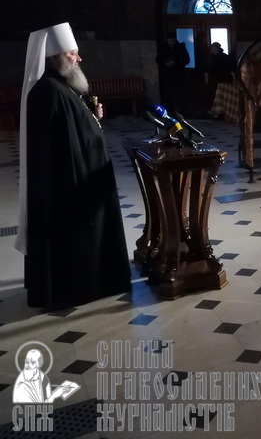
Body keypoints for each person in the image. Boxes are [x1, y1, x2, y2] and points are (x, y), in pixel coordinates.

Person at [16, 24, 131, 309]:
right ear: (54, 57)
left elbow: (74, 127)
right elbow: (58, 145)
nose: (79, 59)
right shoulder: (48, 91)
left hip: (83, 176)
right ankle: (79, 287)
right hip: (70, 184)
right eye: (73, 53)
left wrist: (91, 117)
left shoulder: (61, 85)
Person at [156, 34, 190, 113]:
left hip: (179, 73)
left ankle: (182, 110)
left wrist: (176, 63)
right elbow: (158, 59)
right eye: (169, 41)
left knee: (180, 92)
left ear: (175, 41)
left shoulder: (181, 48)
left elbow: (186, 60)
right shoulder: (163, 48)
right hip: (167, 74)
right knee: (168, 93)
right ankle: (169, 110)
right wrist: (165, 63)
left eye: (172, 41)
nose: (171, 43)